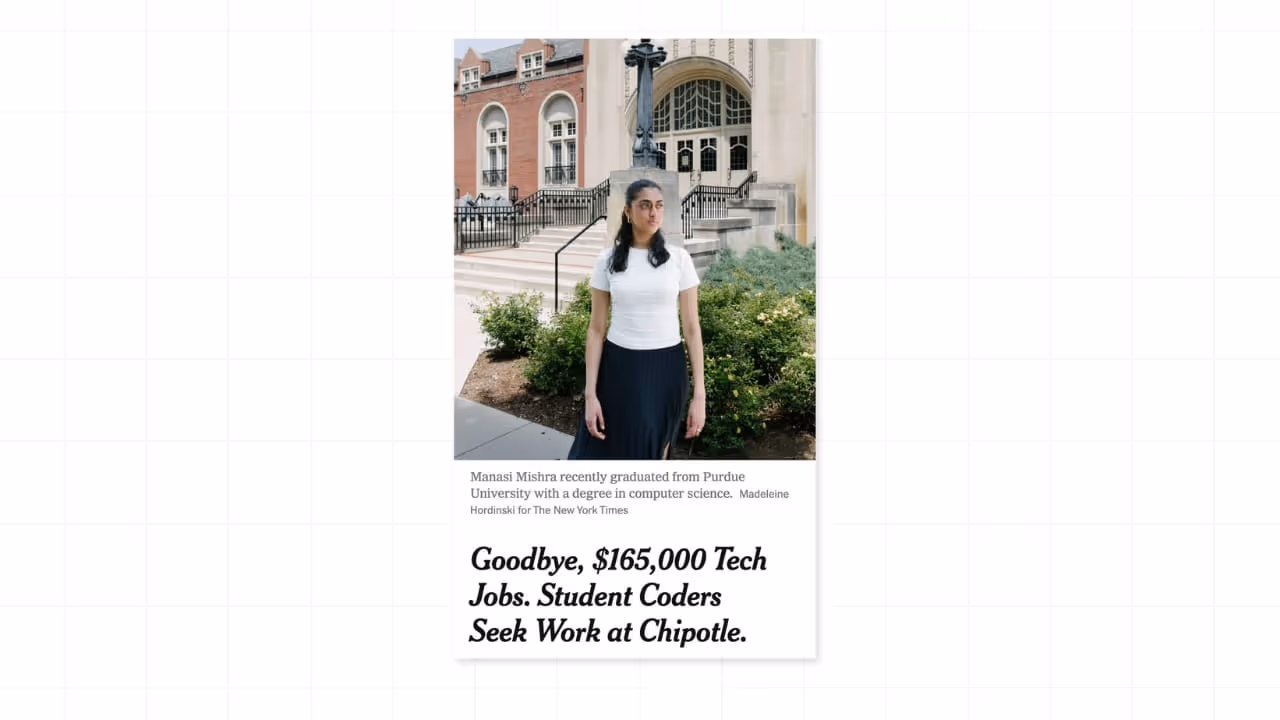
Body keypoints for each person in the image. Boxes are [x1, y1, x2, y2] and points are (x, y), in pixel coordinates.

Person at [566, 179, 706, 460]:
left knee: (654, 452)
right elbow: (596, 330)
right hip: (619, 368)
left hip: (667, 369)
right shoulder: (606, 261)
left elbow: (692, 329)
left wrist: (700, 395)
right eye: (645, 206)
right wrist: (590, 395)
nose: (654, 213)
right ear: (628, 212)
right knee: (605, 450)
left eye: (659, 206)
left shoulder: (679, 259)